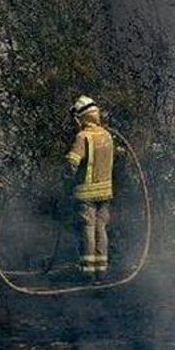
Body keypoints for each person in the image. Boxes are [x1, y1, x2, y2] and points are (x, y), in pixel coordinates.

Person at [65, 95, 115, 280]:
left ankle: (88, 273)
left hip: (86, 194)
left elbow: (71, 163)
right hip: (105, 193)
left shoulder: (82, 137)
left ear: (82, 117)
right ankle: (101, 272)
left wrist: (66, 181)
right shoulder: (107, 136)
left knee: (88, 229)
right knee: (101, 229)